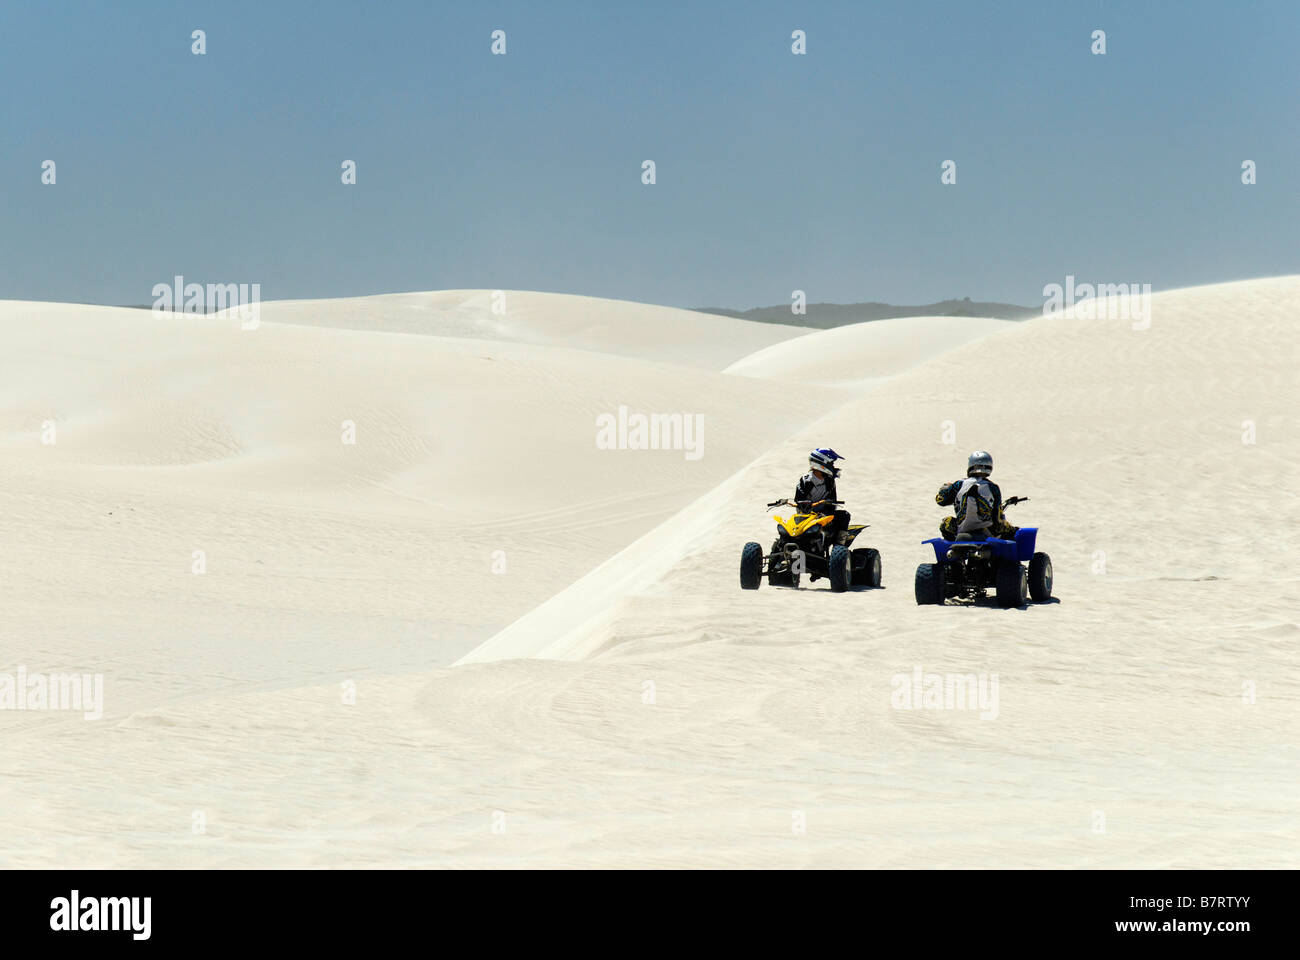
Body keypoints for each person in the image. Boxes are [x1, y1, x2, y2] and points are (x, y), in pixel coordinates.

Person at [935, 450, 1019, 540]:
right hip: (987, 531)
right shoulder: (993, 487)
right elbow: (997, 518)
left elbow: (940, 500)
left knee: (945, 523)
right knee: (1011, 529)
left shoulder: (959, 485)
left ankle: (952, 545)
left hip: (961, 529)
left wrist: (945, 488)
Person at [794, 448, 850, 550]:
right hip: (806, 516)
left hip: (824, 515)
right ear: (821, 463)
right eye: (831, 463)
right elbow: (798, 500)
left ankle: (839, 547)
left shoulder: (830, 481)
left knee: (844, 515)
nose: (833, 466)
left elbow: (833, 503)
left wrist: (825, 513)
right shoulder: (806, 480)